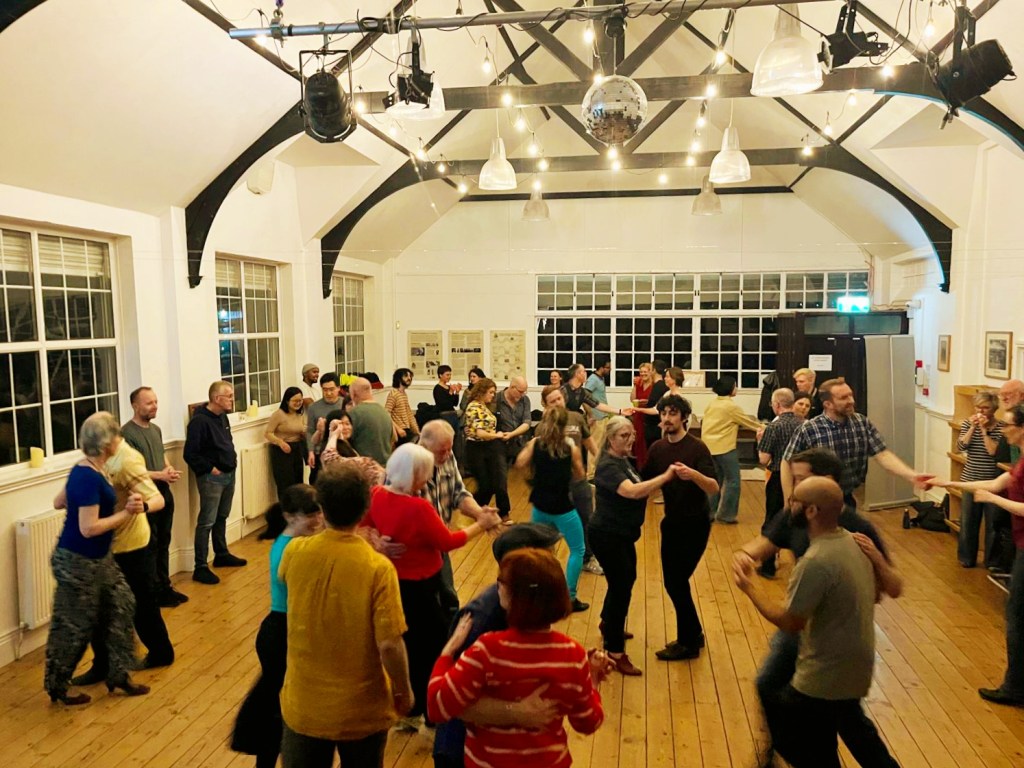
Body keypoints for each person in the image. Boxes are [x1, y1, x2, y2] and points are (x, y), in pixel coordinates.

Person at [734, 447, 902, 767]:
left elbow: (791, 621)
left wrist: (750, 589)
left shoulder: (843, 540)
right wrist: (745, 554)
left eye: (800, 481)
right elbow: (767, 542)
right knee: (790, 698)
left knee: (835, 722)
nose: (792, 493)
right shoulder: (815, 525)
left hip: (830, 644)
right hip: (820, 635)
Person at [277, 463, 412, 768]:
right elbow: (389, 645)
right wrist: (403, 690)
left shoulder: (295, 552)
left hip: (304, 704)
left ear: (321, 507)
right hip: (362, 710)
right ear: (366, 507)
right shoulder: (378, 568)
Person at [362, 444, 501, 730]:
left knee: (410, 644)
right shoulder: (418, 508)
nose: (428, 479)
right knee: (436, 646)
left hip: (394, 582)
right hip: (422, 587)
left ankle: (411, 709)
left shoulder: (376, 495)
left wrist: (378, 540)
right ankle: (432, 712)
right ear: (414, 475)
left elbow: (365, 525)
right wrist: (482, 523)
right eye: (425, 474)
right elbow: (449, 542)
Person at [427, 548, 607, 768]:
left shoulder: (487, 650)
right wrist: (593, 678)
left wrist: (447, 652)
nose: (497, 587)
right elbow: (588, 722)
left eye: (502, 582)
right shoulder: (572, 655)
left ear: (513, 598)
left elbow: (437, 705)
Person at [431, 524, 567, 768]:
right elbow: (455, 702)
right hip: (464, 750)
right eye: (549, 556)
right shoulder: (485, 621)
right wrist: (516, 711)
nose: (556, 565)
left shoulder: (523, 606)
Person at [44, 412, 150, 706]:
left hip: (98, 559)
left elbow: (59, 502)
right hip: (77, 561)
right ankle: (57, 685)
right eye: (116, 435)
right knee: (74, 624)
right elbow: (88, 528)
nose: (120, 439)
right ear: (106, 443)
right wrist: (127, 512)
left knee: (122, 605)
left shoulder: (89, 468)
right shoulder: (88, 475)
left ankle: (119, 674)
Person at [931, 404, 1024, 707]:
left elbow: (1002, 496)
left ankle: (1015, 688)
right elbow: (995, 484)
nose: (1004, 430)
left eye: (1008, 425)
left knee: (1016, 614)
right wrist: (950, 483)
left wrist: (995, 501)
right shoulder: (1021, 460)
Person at [67, 431, 173, 687]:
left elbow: (157, 498)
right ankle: (102, 665)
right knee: (99, 607)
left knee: (142, 603)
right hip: (104, 547)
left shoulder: (127, 459)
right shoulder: (93, 463)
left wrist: (141, 507)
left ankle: (161, 652)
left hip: (133, 546)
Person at [232, 485, 324, 768]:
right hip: (282, 633)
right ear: (289, 516)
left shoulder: (294, 542)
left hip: (281, 630)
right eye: (310, 514)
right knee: (277, 708)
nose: (318, 519)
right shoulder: (291, 549)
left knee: (277, 705)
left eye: (319, 512)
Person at [590, 416, 682, 676]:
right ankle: (614, 652)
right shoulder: (608, 466)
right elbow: (632, 491)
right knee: (621, 587)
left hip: (621, 534)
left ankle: (608, 623)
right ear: (610, 439)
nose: (630, 439)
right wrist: (665, 477)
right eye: (623, 435)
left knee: (625, 580)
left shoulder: (623, 460)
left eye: (631, 434)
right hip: (607, 535)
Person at [642, 395, 719, 661]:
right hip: (671, 523)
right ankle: (693, 634)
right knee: (675, 583)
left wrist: (693, 474)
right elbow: (644, 480)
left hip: (696, 524)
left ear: (684, 417)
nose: (666, 418)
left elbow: (714, 487)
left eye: (673, 413)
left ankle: (688, 643)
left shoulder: (697, 448)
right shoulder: (658, 448)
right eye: (664, 413)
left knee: (676, 583)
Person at [781, 377, 932, 509]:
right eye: (844, 398)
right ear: (828, 404)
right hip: (814, 499)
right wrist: (789, 500)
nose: (851, 401)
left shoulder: (861, 423)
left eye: (851, 395)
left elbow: (883, 455)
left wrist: (912, 476)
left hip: (846, 498)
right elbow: (787, 461)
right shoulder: (809, 429)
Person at [419, 420, 496, 624]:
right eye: (441, 452)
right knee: (427, 606)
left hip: (439, 546)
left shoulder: (447, 454)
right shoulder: (409, 467)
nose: (447, 455)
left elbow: (458, 493)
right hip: (418, 550)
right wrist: (481, 524)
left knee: (449, 598)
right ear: (424, 447)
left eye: (449, 449)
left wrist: (480, 513)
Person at [515, 406, 589, 612]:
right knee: (578, 549)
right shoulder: (570, 447)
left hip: (540, 506)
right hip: (563, 508)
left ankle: (540, 594)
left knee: (539, 551)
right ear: (564, 425)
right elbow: (581, 475)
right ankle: (570, 597)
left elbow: (519, 463)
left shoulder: (535, 443)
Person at [121, 386, 185, 607]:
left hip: (162, 491)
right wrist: (159, 475)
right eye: (149, 403)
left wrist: (168, 470)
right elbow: (132, 472)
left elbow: (161, 455)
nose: (154, 406)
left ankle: (165, 586)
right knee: (151, 544)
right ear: (135, 406)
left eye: (156, 402)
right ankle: (152, 592)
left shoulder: (156, 430)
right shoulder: (127, 434)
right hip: (144, 495)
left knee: (164, 540)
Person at [183, 381, 248, 585]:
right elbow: (190, 454)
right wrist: (211, 468)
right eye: (229, 396)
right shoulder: (199, 422)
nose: (232, 399)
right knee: (207, 521)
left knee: (222, 516)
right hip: (212, 477)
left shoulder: (222, 416)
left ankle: (221, 553)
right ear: (217, 398)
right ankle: (200, 566)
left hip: (228, 473)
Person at [542, 385, 601, 575]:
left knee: (587, 520)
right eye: (552, 401)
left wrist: (603, 463)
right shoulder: (544, 425)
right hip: (556, 485)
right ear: (545, 405)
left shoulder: (576, 417)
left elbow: (590, 443)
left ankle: (587, 559)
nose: (557, 403)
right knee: (551, 526)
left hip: (579, 481)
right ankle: (545, 562)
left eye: (559, 399)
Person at [702, 376, 762, 524]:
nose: (737, 388)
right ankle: (726, 515)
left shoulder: (712, 403)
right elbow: (749, 423)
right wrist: (769, 428)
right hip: (725, 447)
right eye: (735, 386)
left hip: (708, 447)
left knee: (715, 481)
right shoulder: (731, 407)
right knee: (733, 481)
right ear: (730, 388)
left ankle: (709, 513)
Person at [756, 388, 802, 577]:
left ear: (776, 405)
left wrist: (760, 440)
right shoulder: (804, 424)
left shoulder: (773, 427)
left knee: (773, 520)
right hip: (801, 478)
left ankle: (768, 566)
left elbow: (764, 459)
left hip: (777, 478)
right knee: (799, 520)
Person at [956, 390, 1004, 568]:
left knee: (993, 525)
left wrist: (984, 431)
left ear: (994, 409)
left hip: (992, 483)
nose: (981, 411)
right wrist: (972, 428)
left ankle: (991, 562)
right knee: (968, 522)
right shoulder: (967, 423)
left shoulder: (1001, 427)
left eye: (985, 408)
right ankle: (966, 558)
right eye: (978, 407)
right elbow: (961, 446)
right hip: (970, 480)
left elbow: (993, 451)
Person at [464, 377, 507, 513]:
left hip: (488, 447)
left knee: (492, 484)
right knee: (485, 485)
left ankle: (477, 511)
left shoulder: (484, 407)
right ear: (481, 392)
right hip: (476, 449)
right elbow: (481, 433)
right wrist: (497, 435)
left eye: (494, 392)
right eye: (491, 392)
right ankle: (472, 508)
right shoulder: (474, 407)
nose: (493, 395)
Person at [494, 376, 532, 518]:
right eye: (520, 391)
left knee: (535, 469)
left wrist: (512, 434)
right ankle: (504, 512)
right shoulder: (497, 399)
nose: (522, 395)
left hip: (518, 441)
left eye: (524, 392)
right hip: (499, 443)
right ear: (512, 387)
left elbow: (526, 423)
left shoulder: (525, 400)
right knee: (501, 479)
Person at [265, 387, 308, 499]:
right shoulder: (278, 414)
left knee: (298, 481)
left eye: (300, 400)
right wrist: (280, 442)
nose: (298, 403)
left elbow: (301, 429)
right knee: (285, 482)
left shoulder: (300, 414)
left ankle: (297, 506)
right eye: (295, 401)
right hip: (282, 450)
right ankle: (285, 506)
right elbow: (268, 433)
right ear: (287, 401)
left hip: (297, 449)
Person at [305, 372, 343, 484]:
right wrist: (311, 452)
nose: (328, 393)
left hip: (341, 451)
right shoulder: (313, 407)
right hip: (319, 451)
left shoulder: (345, 404)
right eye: (325, 390)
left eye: (331, 389)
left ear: (338, 388)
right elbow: (309, 431)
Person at [349, 376, 396, 465]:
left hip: (365, 468)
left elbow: (346, 444)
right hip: (385, 466)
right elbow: (394, 438)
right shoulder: (384, 412)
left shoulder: (354, 413)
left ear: (354, 394)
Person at [561, 363, 628, 420]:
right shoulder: (563, 390)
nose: (586, 373)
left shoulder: (582, 392)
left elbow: (598, 405)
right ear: (577, 374)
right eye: (584, 371)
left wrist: (620, 411)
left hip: (573, 421)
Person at [585, 360, 612, 478]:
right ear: (601, 368)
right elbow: (584, 398)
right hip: (597, 417)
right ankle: (590, 474)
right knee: (594, 445)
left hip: (603, 416)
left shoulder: (601, 379)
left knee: (602, 446)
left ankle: (598, 472)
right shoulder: (593, 379)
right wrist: (590, 415)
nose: (610, 370)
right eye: (608, 367)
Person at [629, 362, 655, 467]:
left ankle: (647, 464)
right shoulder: (639, 384)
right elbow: (632, 399)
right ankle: (638, 465)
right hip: (638, 415)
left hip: (649, 415)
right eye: (641, 372)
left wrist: (647, 401)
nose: (643, 374)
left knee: (646, 441)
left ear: (651, 372)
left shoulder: (654, 385)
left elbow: (654, 401)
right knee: (637, 440)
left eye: (645, 372)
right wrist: (635, 385)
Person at [386, 368, 419, 446]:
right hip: (400, 431)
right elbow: (386, 414)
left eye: (410, 376)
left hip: (406, 429)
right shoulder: (393, 394)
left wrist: (417, 431)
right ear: (399, 378)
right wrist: (398, 429)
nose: (409, 378)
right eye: (406, 376)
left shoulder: (404, 394)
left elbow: (409, 414)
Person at [642, 359, 669, 450]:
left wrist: (638, 409)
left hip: (654, 427)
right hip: (653, 425)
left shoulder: (659, 386)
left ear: (654, 370)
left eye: (650, 369)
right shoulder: (660, 386)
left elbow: (657, 407)